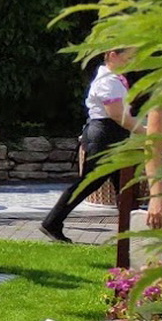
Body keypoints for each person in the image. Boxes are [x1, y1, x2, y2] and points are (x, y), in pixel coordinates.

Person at [42, 47, 139, 243]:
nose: (133, 62)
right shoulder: (108, 81)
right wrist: (146, 131)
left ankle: (131, 233)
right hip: (105, 136)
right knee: (90, 183)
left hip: (113, 135)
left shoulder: (114, 78)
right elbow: (117, 114)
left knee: (125, 185)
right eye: (129, 57)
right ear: (113, 56)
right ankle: (52, 222)